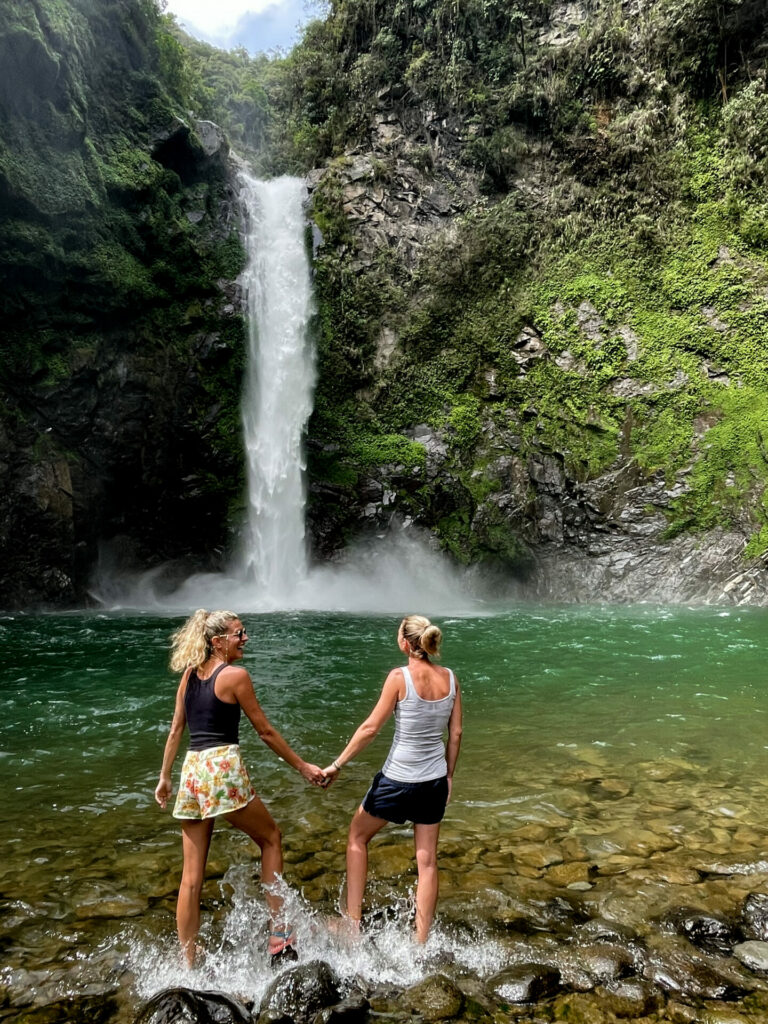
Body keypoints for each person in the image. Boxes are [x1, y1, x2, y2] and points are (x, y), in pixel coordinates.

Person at [154, 608, 326, 966]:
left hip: (192, 772)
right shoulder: (235, 676)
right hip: (221, 770)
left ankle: (188, 961)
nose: (245, 638)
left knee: (191, 877)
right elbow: (264, 731)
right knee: (271, 838)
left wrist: (165, 777)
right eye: (239, 633)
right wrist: (302, 766)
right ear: (218, 642)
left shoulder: (189, 676)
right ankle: (280, 937)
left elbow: (175, 731)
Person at [322, 615, 462, 942]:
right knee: (427, 861)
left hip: (398, 779)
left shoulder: (399, 678)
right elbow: (455, 733)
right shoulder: (451, 679)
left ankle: (352, 925)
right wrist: (449, 775)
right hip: (434, 781)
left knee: (357, 837)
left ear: (405, 643)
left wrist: (337, 764)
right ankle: (420, 941)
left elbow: (371, 728)